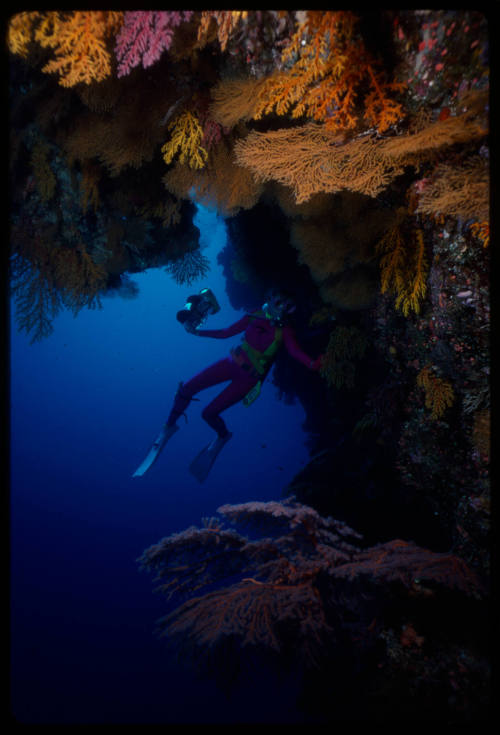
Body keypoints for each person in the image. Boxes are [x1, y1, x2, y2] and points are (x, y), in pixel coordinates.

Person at [165, 289, 323, 440]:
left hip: (248, 378)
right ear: (271, 299)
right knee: (187, 389)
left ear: (292, 311)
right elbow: (226, 332)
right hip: (231, 363)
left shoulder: (286, 331)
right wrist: (198, 332)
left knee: (208, 414)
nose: (281, 308)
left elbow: (294, 351)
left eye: (288, 306)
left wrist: (313, 364)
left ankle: (223, 436)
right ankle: (169, 426)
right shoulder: (255, 315)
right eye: (279, 302)